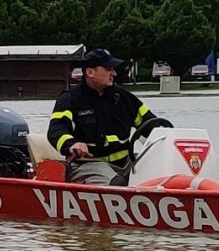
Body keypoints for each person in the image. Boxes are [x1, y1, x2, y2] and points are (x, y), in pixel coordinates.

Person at [48, 48, 171, 185]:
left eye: (113, 69)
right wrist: (72, 144)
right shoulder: (70, 100)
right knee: (115, 183)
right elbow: (56, 130)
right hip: (88, 166)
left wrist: (171, 137)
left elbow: (151, 124)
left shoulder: (125, 99)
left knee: (163, 172)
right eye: (108, 69)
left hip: (126, 163)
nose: (114, 73)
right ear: (90, 72)